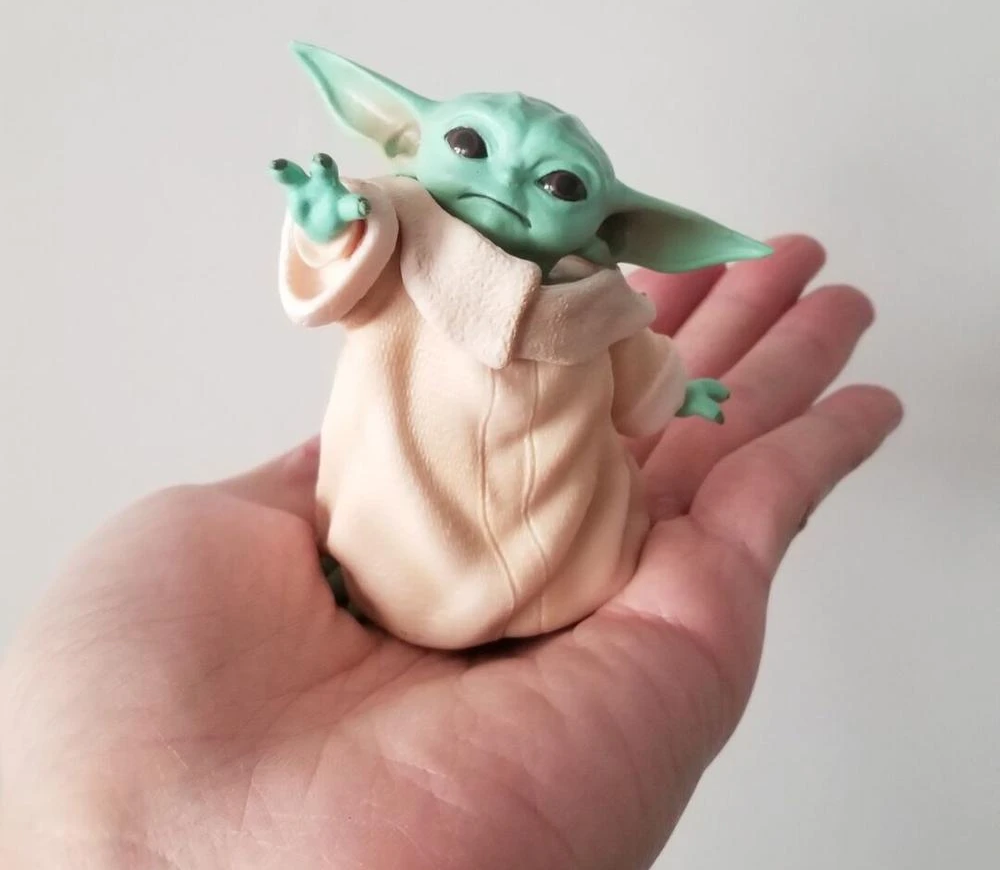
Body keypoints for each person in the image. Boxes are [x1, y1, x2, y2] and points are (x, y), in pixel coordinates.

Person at [0, 237, 902, 870]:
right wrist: (326, 221)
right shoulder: (410, 260)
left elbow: (638, 378)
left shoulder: (596, 310)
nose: (506, 185)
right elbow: (331, 280)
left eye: (557, 183)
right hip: (392, 555)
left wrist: (680, 393)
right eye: (471, 149)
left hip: (560, 549)